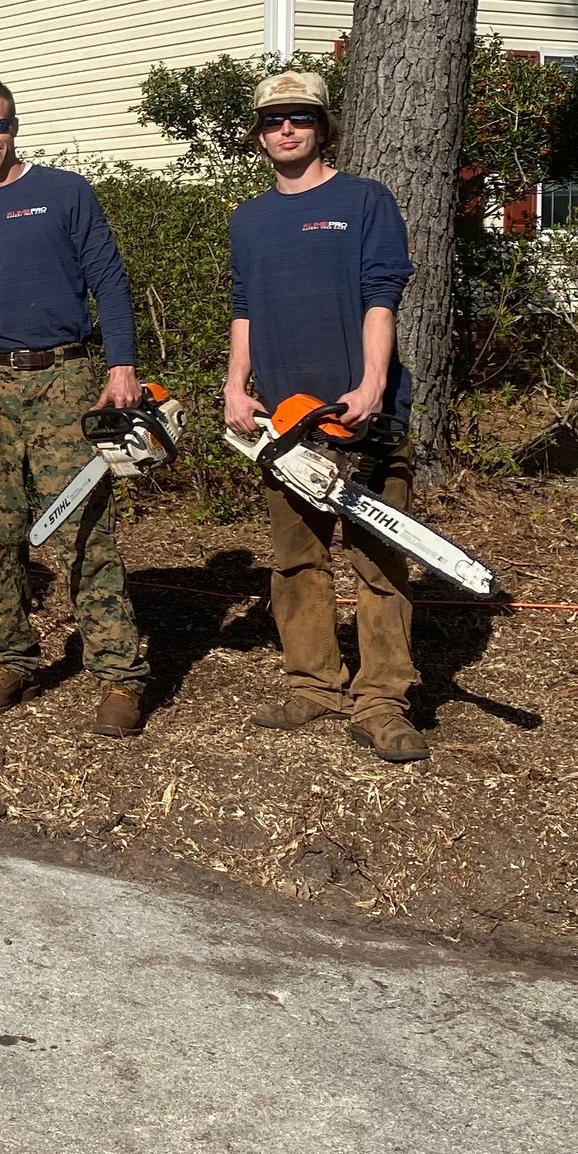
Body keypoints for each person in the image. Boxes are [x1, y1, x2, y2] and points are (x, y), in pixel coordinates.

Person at [0, 79, 151, 734]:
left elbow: (108, 278)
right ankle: (10, 658)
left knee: (81, 526)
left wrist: (122, 365)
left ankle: (117, 673)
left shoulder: (65, 193)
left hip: (64, 377)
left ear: (14, 126)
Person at [223, 67, 424, 764]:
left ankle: (381, 701)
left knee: (379, 563)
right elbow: (244, 307)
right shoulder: (247, 220)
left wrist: (372, 384)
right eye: (274, 119)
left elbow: (381, 297)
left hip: (364, 416)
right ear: (257, 134)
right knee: (296, 560)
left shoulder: (365, 201)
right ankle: (314, 682)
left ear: (322, 127)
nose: (286, 129)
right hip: (285, 423)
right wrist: (234, 386)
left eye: (300, 118)